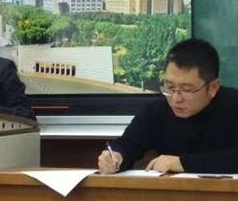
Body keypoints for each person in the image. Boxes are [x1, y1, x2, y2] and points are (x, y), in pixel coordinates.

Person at [98, 38, 238, 174]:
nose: (175, 99)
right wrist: (115, 157)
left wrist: (182, 163)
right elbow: (127, 145)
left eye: (187, 90)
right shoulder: (155, 111)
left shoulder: (233, 105)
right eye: (169, 87)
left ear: (213, 87)